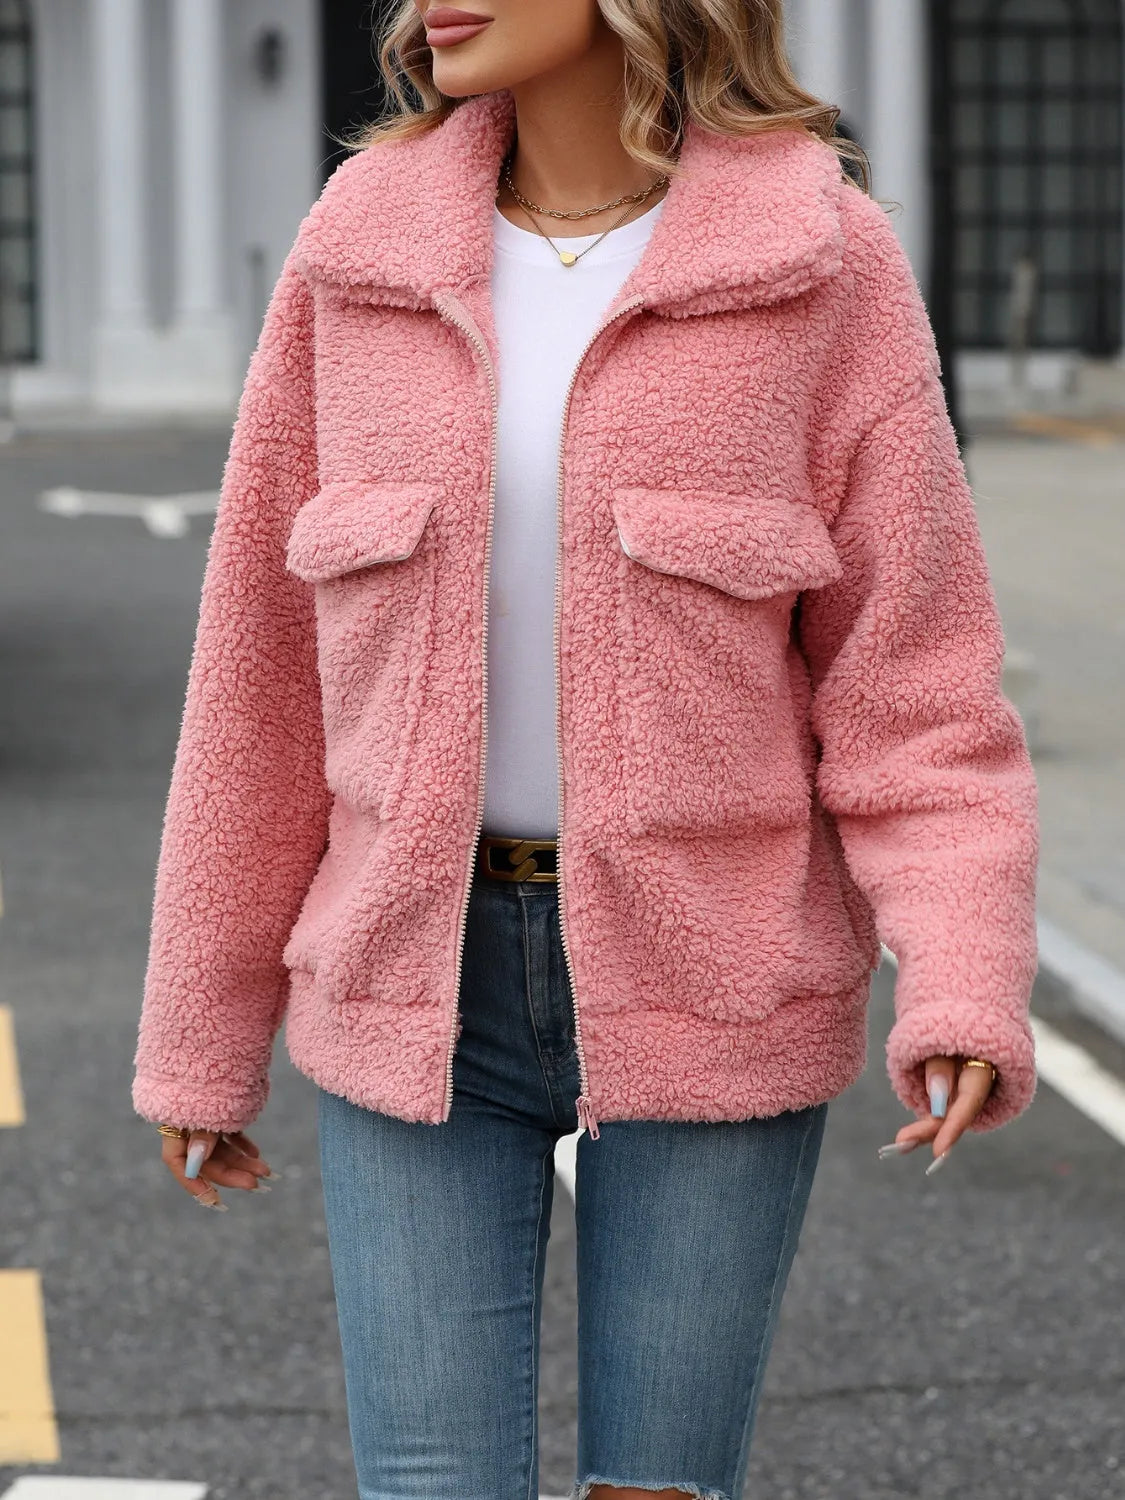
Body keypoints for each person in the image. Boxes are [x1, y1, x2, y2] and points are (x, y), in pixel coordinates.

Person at [132, 3, 1040, 1497]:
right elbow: (259, 683)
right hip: (409, 968)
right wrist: (202, 1031)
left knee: (658, 1492)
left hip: (719, 967)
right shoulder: (358, 252)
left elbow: (915, 687)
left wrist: (958, 974)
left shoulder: (819, 261)